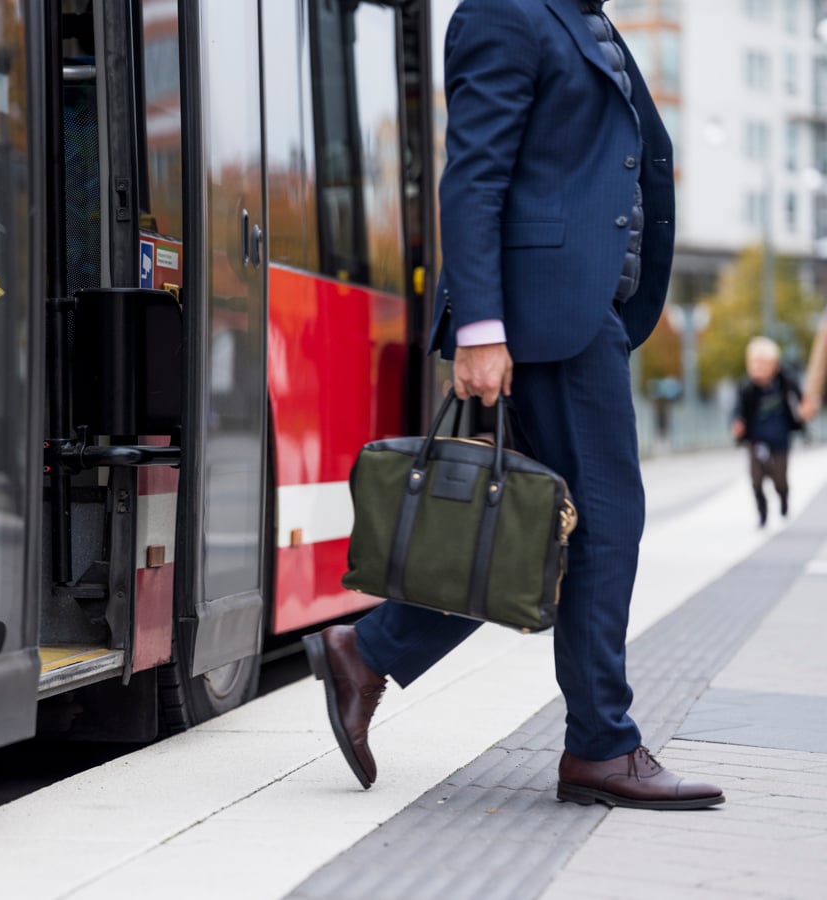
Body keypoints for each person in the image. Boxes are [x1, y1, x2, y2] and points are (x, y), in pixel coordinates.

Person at [303, 0, 725, 810]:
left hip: (575, 311)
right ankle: (602, 746)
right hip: (544, 317)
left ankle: (369, 649)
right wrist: (483, 327)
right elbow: (474, 173)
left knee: (536, 532)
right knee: (605, 524)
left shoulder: (582, 20)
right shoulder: (506, 12)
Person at [731, 336, 803, 527]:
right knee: (756, 479)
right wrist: (737, 423)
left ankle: (783, 496)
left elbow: (801, 398)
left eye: (763, 365)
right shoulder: (747, 388)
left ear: (775, 366)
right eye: (754, 365)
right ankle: (762, 512)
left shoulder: (785, 382)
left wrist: (803, 411)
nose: (758, 369)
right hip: (757, 439)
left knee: (779, 478)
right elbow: (738, 410)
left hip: (780, 438)